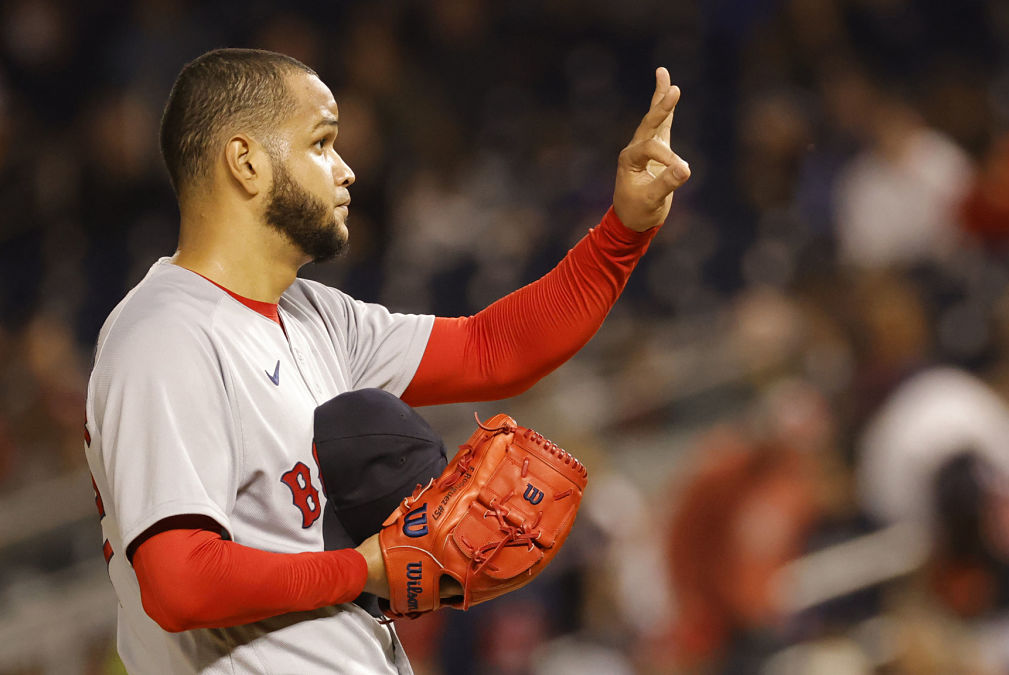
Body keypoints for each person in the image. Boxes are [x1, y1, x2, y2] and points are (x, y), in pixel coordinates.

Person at [83, 48, 690, 674]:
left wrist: (623, 232)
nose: (346, 171)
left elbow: (495, 349)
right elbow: (179, 582)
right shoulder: (166, 335)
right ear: (246, 162)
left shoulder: (315, 315)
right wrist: (366, 566)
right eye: (321, 144)